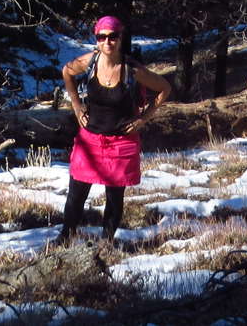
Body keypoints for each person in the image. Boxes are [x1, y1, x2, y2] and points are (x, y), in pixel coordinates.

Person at [55, 15, 172, 245]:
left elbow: (164, 88)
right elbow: (67, 72)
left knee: (114, 197)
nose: (107, 41)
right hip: (90, 140)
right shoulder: (89, 62)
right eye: (102, 37)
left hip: (121, 143)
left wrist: (143, 119)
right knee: (76, 193)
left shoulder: (132, 69)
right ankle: (65, 237)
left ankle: (106, 244)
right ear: (96, 39)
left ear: (120, 38)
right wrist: (77, 106)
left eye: (112, 36)